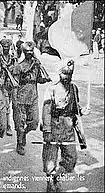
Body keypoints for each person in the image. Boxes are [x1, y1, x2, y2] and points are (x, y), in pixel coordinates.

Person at [41, 59, 90, 192]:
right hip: (54, 126)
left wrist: (82, 111)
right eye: (65, 74)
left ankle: (56, 177)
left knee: (71, 159)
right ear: (59, 73)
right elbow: (46, 111)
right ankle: (50, 181)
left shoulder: (74, 88)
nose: (67, 77)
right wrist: (47, 130)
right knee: (50, 159)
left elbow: (75, 107)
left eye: (70, 74)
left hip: (68, 129)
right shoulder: (52, 88)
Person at [12, 41, 51, 155]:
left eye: (31, 52)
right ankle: (19, 143)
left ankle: (24, 134)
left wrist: (45, 79)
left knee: (34, 122)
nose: (29, 53)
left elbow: (38, 79)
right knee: (20, 124)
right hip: (21, 98)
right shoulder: (19, 66)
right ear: (24, 52)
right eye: (27, 52)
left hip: (33, 97)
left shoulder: (36, 65)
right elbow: (15, 84)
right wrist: (14, 101)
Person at [0, 38, 17, 136]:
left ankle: (6, 124)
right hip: (1, 85)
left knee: (9, 105)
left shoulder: (12, 58)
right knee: (4, 106)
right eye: (4, 47)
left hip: (10, 85)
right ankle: (5, 125)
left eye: (7, 47)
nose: (6, 48)